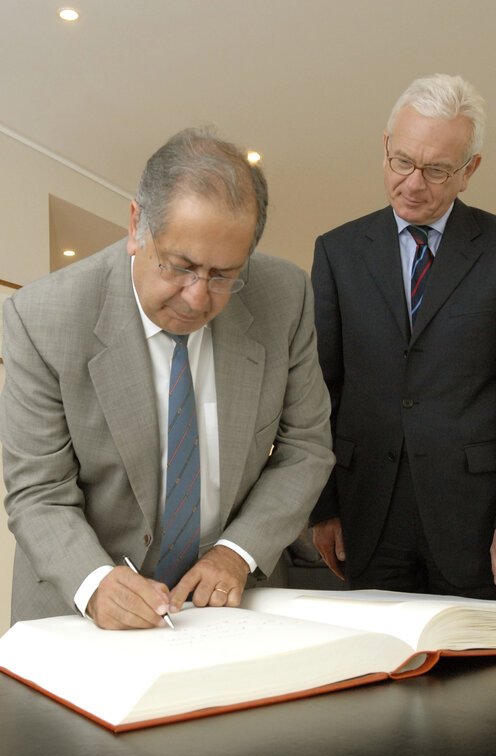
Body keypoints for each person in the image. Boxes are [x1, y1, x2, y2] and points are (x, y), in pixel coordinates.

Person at [0, 128, 334, 629]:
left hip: (234, 602)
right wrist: (94, 582)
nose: (198, 298)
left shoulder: (284, 296)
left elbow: (306, 446)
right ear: (137, 226)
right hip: (79, 610)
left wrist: (237, 552)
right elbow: (38, 491)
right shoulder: (42, 318)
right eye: (180, 266)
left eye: (223, 275)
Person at [310, 74, 496, 603]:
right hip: (366, 513)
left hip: (480, 524)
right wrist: (324, 507)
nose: (414, 184)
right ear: (385, 147)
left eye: (437, 170)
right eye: (403, 162)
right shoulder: (337, 252)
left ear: (469, 171)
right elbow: (318, 394)